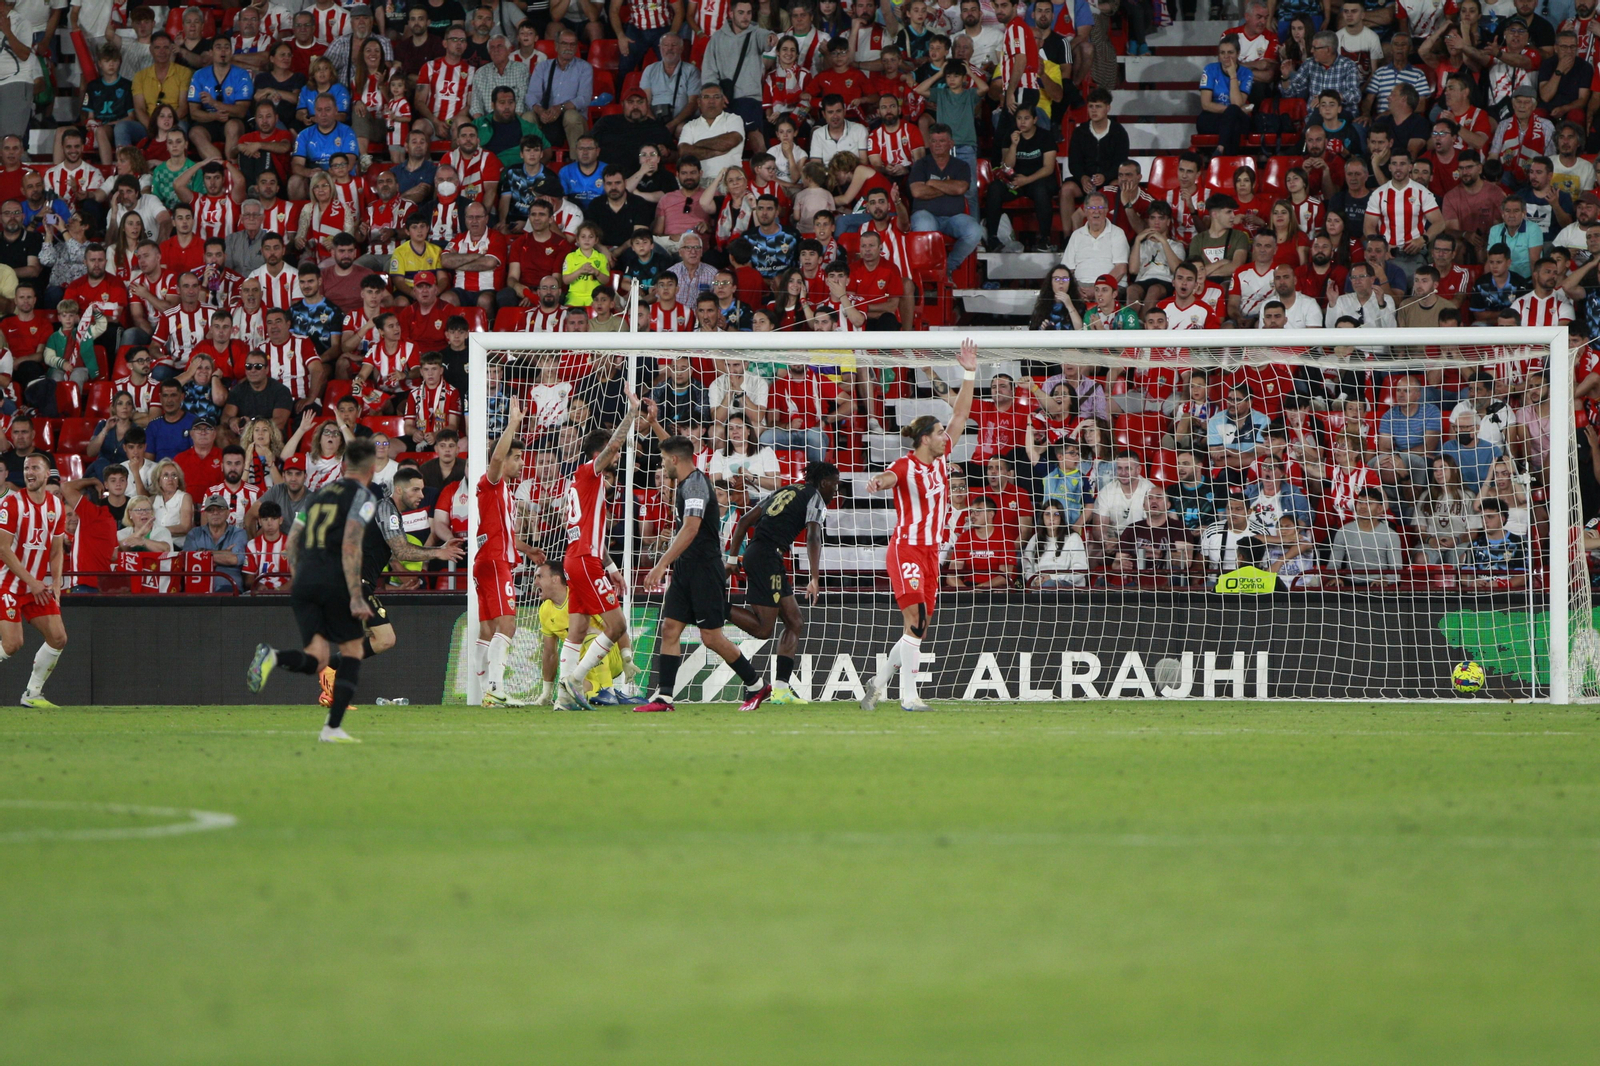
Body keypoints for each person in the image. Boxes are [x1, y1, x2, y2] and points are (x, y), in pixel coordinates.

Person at [860, 338, 978, 712]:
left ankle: (876, 684)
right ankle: (909, 698)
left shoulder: (941, 462)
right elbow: (888, 478)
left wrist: (970, 372)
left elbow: (960, 415)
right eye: (941, 433)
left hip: (931, 552)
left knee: (920, 628)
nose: (948, 436)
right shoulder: (905, 466)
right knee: (917, 619)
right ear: (926, 438)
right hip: (906, 548)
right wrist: (877, 483)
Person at [247, 439, 380, 742]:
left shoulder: (317, 496)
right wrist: (356, 595)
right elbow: (350, 543)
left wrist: (302, 576)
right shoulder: (364, 496)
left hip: (306, 580)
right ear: (371, 469)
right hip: (334, 579)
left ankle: (273, 657)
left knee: (318, 658)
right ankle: (332, 729)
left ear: (343, 466)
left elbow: (291, 542)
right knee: (353, 649)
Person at [313, 466, 464, 706]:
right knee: (383, 638)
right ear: (399, 489)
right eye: (415, 490)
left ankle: (331, 687)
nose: (421, 496)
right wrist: (440, 552)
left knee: (379, 638)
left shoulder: (384, 511)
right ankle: (329, 670)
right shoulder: (387, 510)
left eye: (422, 490)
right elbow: (402, 550)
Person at [724, 461, 841, 704]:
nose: (835, 490)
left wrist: (733, 559)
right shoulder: (816, 497)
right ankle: (715, 605)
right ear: (823, 483)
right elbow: (813, 534)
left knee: (795, 621)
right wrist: (815, 578)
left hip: (762, 554)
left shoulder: (785, 490)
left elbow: (745, 520)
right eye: (834, 485)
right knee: (763, 629)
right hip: (768, 557)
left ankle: (780, 690)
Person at [554, 394, 643, 710]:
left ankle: (563, 699)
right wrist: (632, 413)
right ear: (598, 454)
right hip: (584, 561)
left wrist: (612, 567)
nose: (616, 459)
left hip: (577, 559)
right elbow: (614, 445)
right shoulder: (591, 473)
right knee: (616, 626)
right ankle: (574, 680)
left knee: (577, 629)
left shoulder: (580, 483)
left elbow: (591, 535)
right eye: (611, 455)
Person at [0, 456, 69, 707]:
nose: (29, 472)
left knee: (58, 637)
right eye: (26, 468)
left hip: (35, 586)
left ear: (46, 473)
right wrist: (33, 581)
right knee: (12, 644)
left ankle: (32, 693)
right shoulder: (12, 503)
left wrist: (57, 584)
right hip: (7, 583)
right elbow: (3, 549)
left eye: (34, 468)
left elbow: (56, 550)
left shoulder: (57, 507)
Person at [473, 400, 528, 706]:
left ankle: (486, 694)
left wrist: (528, 549)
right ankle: (494, 686)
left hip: (489, 560)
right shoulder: (491, 482)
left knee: (489, 629)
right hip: (495, 562)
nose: (521, 463)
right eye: (516, 458)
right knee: (508, 625)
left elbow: (500, 530)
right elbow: (495, 456)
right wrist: (513, 424)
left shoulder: (504, 490)